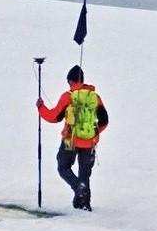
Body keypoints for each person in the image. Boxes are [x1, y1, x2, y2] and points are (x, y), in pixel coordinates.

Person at [37, 65, 108, 210]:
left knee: (63, 167)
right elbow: (104, 121)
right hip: (90, 143)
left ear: (70, 81)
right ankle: (84, 205)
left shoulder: (68, 96)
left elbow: (54, 117)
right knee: (85, 173)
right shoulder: (95, 97)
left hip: (70, 140)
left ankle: (78, 188)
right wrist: (94, 133)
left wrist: (40, 107)